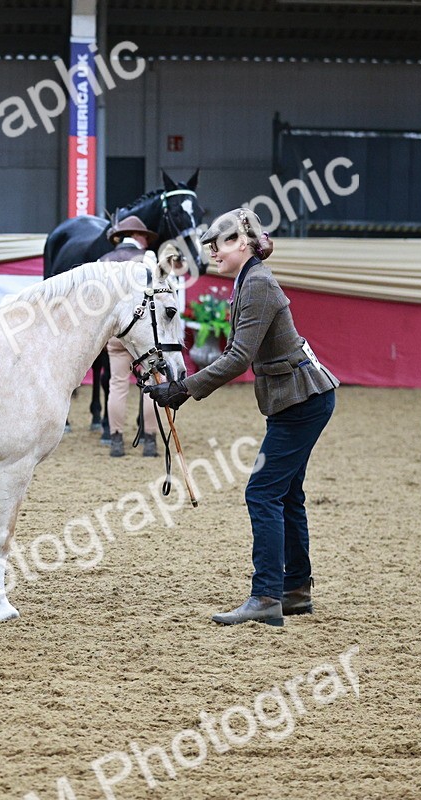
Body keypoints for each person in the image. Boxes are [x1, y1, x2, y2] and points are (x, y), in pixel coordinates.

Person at [145, 208, 338, 627]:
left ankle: (267, 595)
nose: (212, 250)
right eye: (211, 244)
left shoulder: (258, 284)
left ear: (243, 243)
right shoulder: (249, 280)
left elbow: (237, 358)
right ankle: (295, 589)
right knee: (286, 494)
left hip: (301, 400)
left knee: (262, 493)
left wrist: (183, 389)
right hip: (299, 398)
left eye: (219, 243)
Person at [99, 215, 164, 458]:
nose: (146, 242)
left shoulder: (103, 261)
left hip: (116, 333)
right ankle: (150, 442)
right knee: (151, 383)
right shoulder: (148, 259)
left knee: (117, 384)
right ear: (138, 236)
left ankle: (116, 441)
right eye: (145, 237)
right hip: (143, 332)